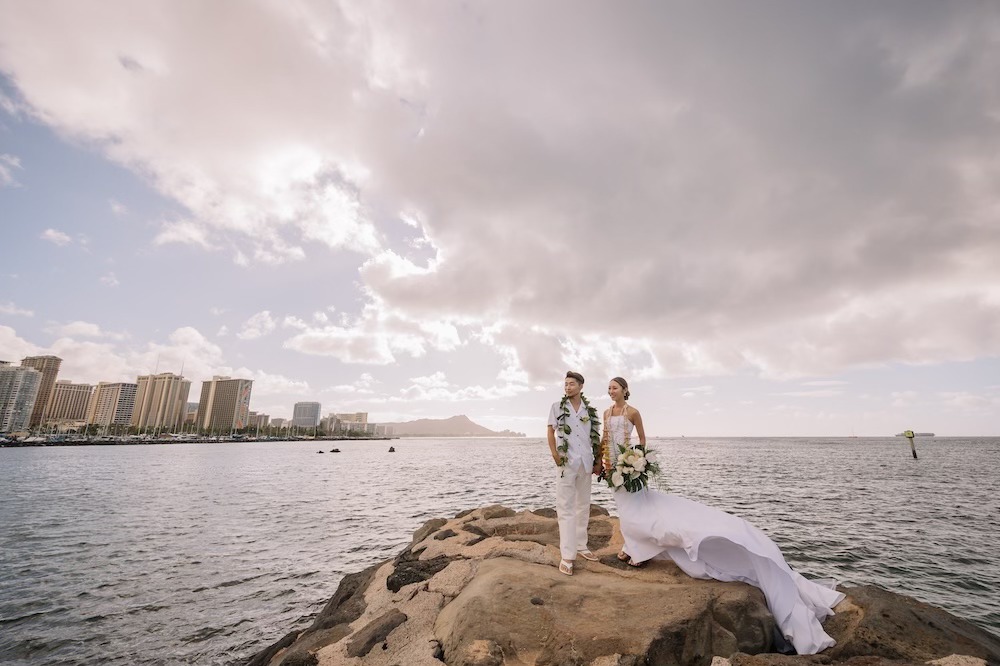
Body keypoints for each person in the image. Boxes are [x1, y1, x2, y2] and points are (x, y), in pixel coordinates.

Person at [602, 376, 846, 655]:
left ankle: (637, 548)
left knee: (636, 506)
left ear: (624, 390)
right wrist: (603, 462)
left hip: (629, 464)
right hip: (613, 465)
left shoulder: (633, 412)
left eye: (614, 387)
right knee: (625, 507)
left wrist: (638, 460)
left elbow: (642, 439)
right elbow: (604, 439)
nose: (611, 391)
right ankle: (633, 546)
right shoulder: (607, 413)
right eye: (608, 388)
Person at [547, 371, 603, 575]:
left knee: (583, 505)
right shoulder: (557, 407)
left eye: (571, 384)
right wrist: (555, 454)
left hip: (585, 463)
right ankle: (567, 555)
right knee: (565, 508)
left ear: (581, 386)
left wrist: (598, 461)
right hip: (566, 463)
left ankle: (581, 545)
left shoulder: (591, 411)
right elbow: (550, 431)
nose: (567, 387)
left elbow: (595, 437)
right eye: (565, 384)